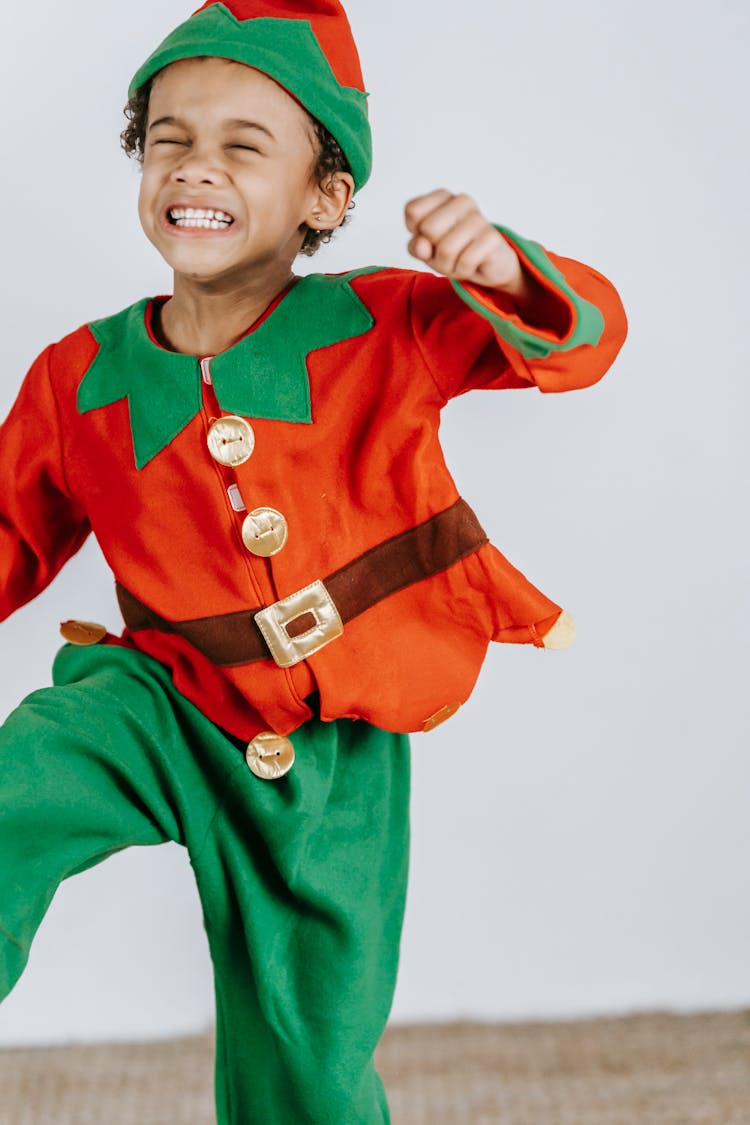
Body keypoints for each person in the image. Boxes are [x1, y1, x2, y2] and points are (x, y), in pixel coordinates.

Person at [0, 1, 628, 1121]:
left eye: (246, 145)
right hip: (158, 698)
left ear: (325, 199)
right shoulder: (77, 376)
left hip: (330, 753)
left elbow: (578, 344)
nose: (196, 165)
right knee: (19, 788)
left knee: (310, 1053)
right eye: (170, 139)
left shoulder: (386, 323)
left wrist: (498, 266)